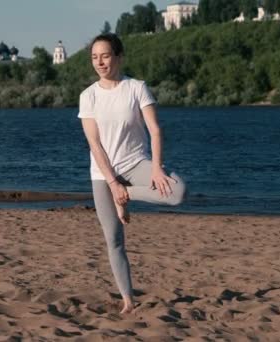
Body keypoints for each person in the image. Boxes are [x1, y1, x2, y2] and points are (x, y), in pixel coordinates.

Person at [78, 33, 186, 314]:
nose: (99, 62)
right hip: (103, 174)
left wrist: (156, 168)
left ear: (119, 56)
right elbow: (94, 144)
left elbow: (155, 130)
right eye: (94, 57)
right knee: (114, 240)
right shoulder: (88, 96)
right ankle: (128, 300)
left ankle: (125, 198)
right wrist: (113, 184)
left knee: (176, 192)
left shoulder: (136, 88)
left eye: (105, 55)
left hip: (137, 163)